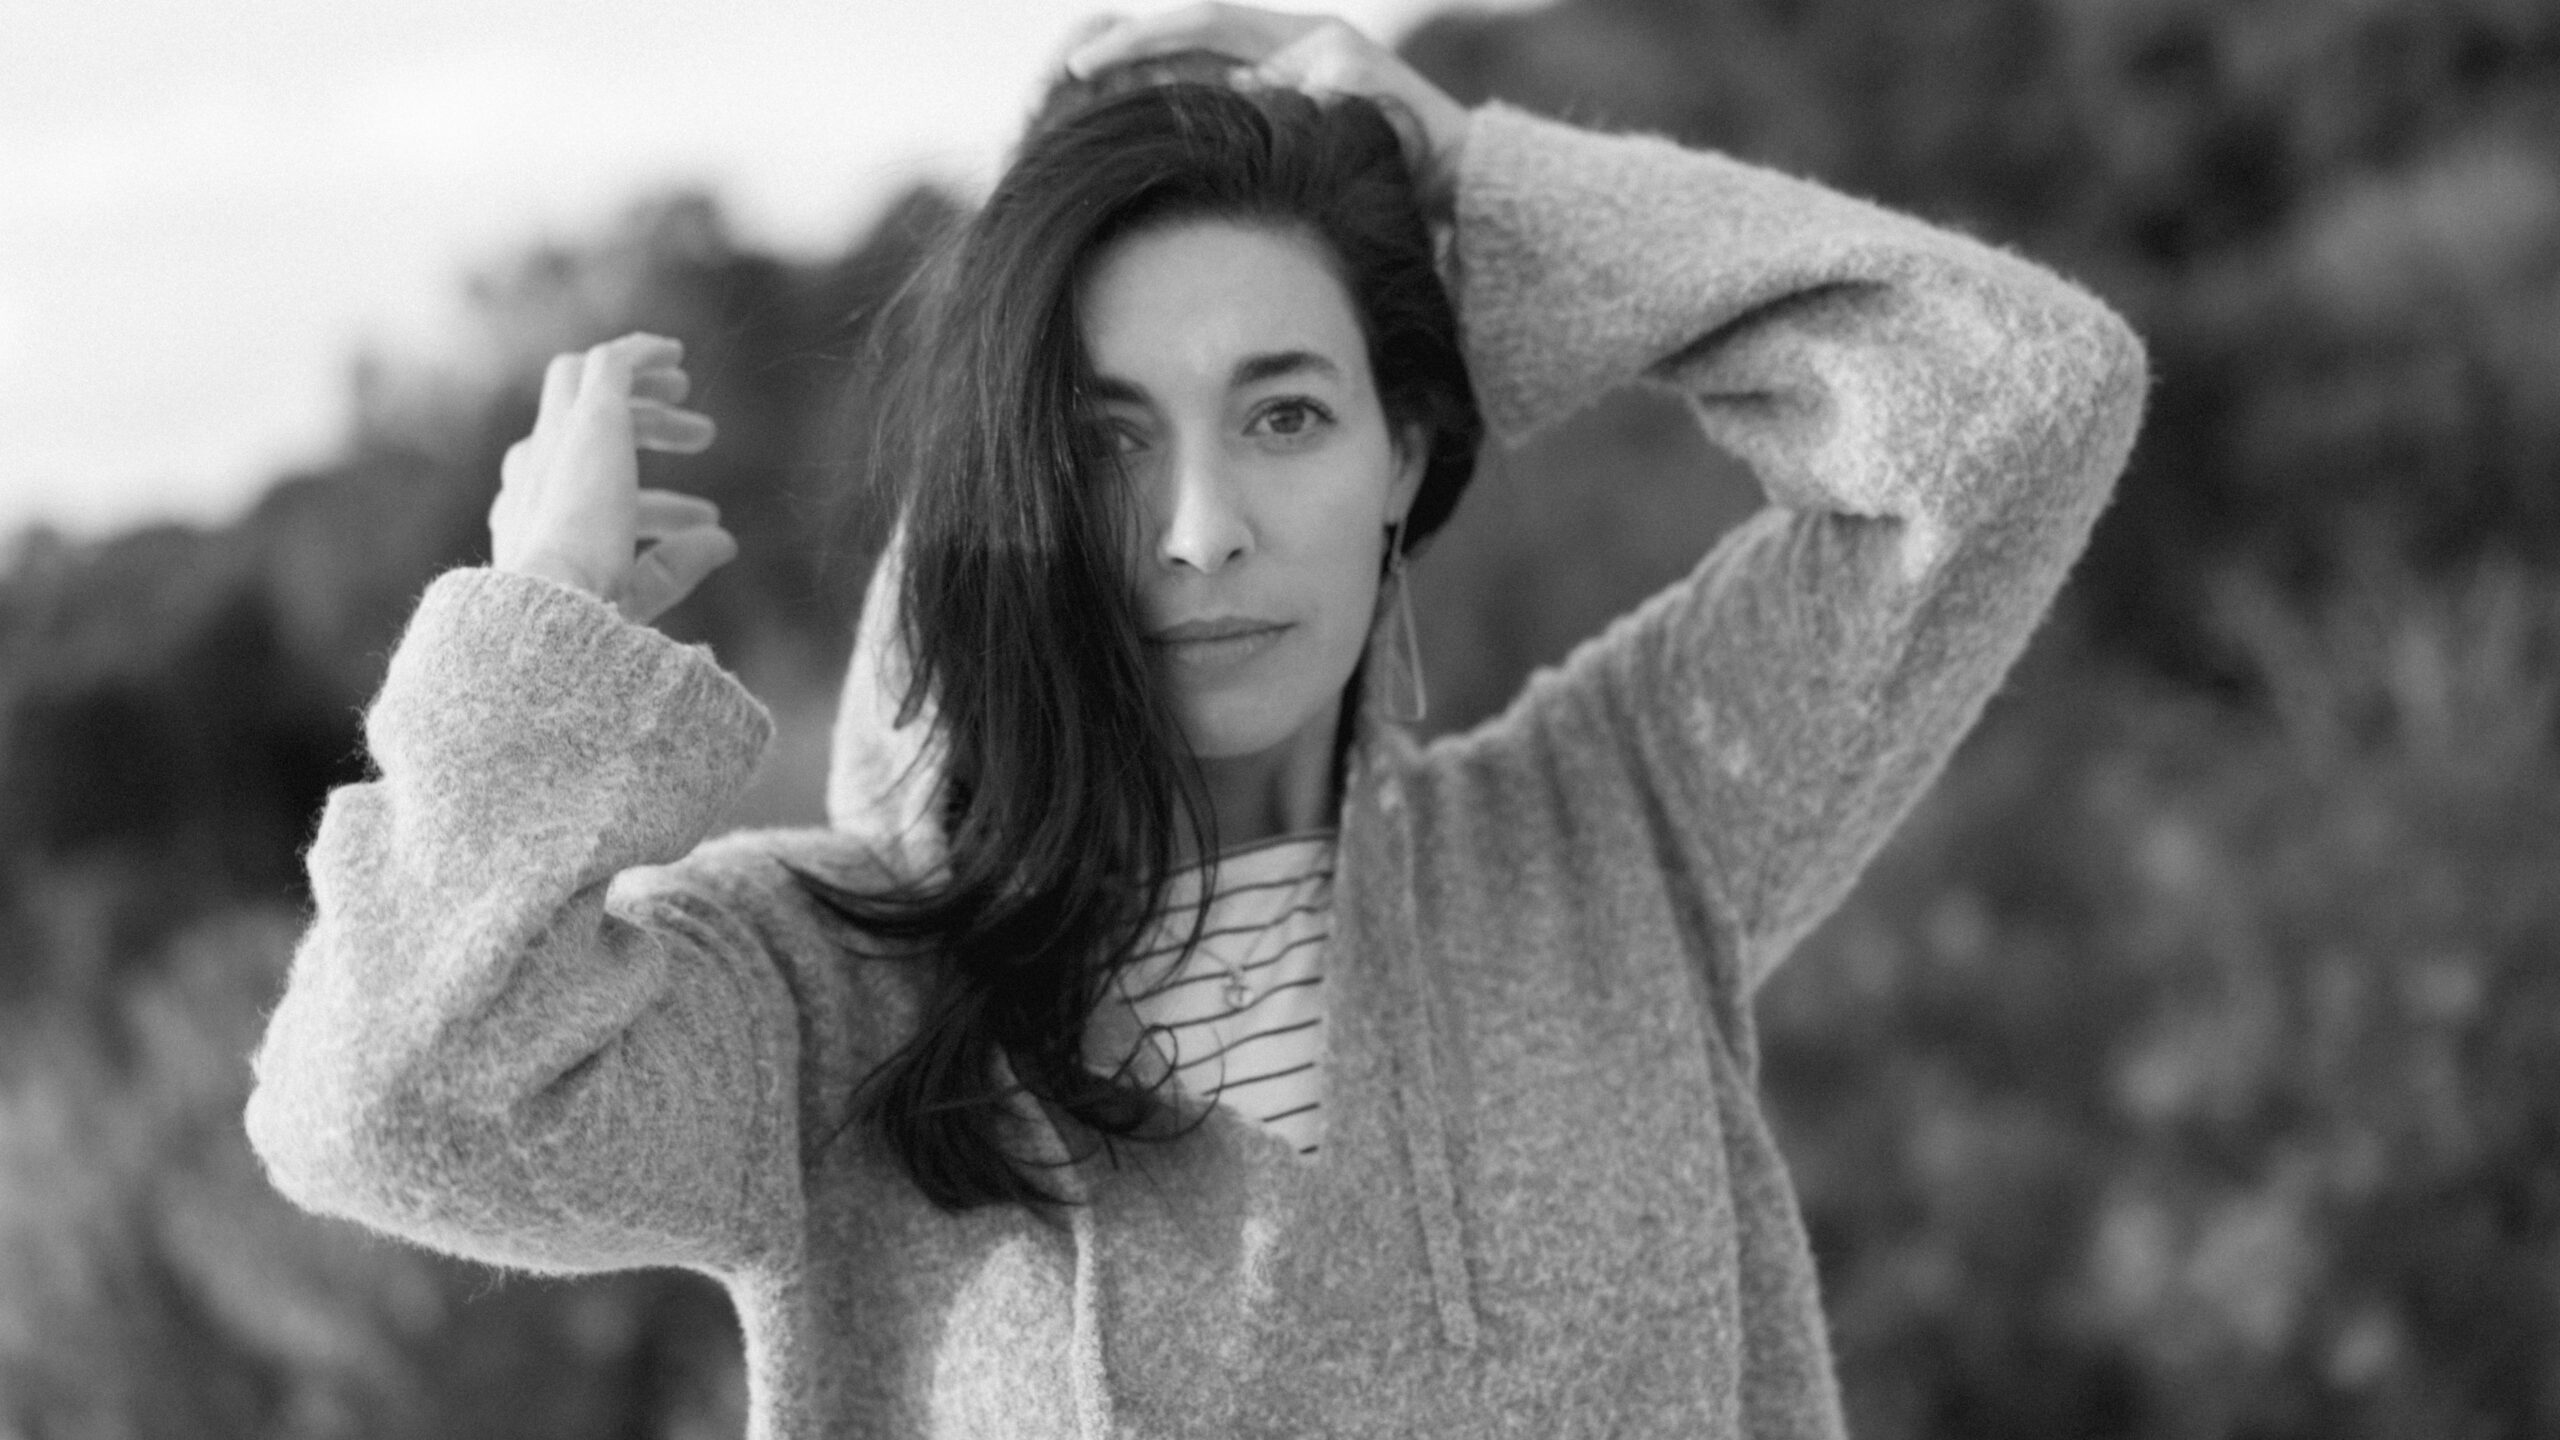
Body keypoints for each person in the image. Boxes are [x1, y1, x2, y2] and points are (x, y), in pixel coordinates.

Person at [244, 5, 2149, 1437]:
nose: (1202, 527)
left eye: (1288, 412)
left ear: (1406, 447)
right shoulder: (834, 990)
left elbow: (2019, 401)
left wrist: (1464, 174)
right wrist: (537, 632)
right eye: (1103, 439)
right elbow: (391, 1109)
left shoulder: (1620, 825)